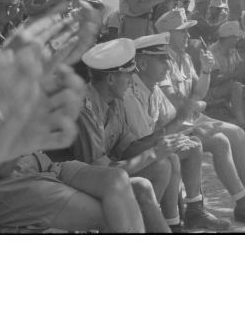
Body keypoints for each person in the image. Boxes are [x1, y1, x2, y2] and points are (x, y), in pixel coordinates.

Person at [0, 25, 147, 233]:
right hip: (5, 184)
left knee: (117, 179)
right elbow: (0, 169)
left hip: (42, 165)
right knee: (106, 212)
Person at [155, 9, 245, 227]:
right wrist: (197, 101)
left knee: (238, 132)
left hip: (192, 117)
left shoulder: (184, 57)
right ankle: (243, 202)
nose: (188, 36)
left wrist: (205, 71)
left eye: (188, 31)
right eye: (182, 32)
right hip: (176, 124)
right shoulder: (161, 61)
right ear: (167, 35)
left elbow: (200, 94)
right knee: (222, 140)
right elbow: (177, 102)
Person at [70, 37, 192, 233]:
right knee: (143, 184)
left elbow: (127, 147)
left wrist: (162, 142)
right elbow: (104, 172)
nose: (131, 80)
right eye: (128, 75)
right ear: (111, 79)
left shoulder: (113, 100)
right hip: (71, 179)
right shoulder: (85, 110)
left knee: (163, 163)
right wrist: (154, 152)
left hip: (98, 175)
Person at [123, 33, 230, 231]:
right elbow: (140, 142)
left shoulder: (152, 88)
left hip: (145, 149)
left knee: (193, 144)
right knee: (170, 157)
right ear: (143, 64)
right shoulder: (130, 93)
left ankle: (194, 211)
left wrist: (192, 128)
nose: (168, 65)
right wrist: (183, 121)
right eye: (161, 59)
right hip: (130, 155)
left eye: (168, 59)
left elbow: (169, 122)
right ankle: (173, 223)